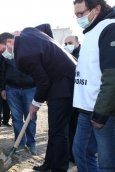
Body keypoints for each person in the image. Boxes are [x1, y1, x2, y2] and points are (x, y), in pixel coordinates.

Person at [0, 23, 76, 171]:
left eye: (2, 51)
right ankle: (48, 164)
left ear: (10, 42)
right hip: (62, 78)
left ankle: (59, 169)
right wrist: (51, 52)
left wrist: (35, 103)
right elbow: (45, 26)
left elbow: (43, 83)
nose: (2, 55)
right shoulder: (27, 31)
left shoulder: (24, 56)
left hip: (64, 84)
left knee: (59, 132)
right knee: (54, 129)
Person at [72, 0, 115, 171]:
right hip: (86, 109)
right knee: (80, 152)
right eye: (75, 15)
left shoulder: (109, 28)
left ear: (97, 9)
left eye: (81, 14)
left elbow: (112, 76)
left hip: (103, 113)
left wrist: (101, 113)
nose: (78, 18)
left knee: (107, 163)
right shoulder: (91, 30)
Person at [0, 56, 37, 155]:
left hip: (30, 89)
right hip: (12, 89)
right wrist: (3, 88)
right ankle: (19, 143)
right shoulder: (7, 55)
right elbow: (3, 72)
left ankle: (31, 143)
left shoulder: (32, 52)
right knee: (16, 118)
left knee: (31, 117)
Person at [64, 34, 81, 163]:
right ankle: (70, 153)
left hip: (80, 98)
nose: (67, 45)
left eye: (70, 42)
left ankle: (75, 155)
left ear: (77, 42)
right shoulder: (66, 55)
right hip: (69, 96)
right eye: (66, 43)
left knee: (77, 127)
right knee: (69, 127)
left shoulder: (83, 54)